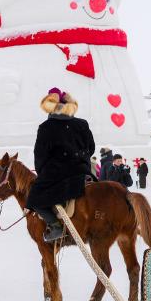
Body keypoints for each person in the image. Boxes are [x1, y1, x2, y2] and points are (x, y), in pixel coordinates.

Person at [26, 87, 94, 243]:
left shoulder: (46, 127)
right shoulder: (82, 123)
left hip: (57, 174)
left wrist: (42, 174)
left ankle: (55, 226)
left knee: (34, 199)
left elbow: (40, 156)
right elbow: (91, 148)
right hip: (83, 172)